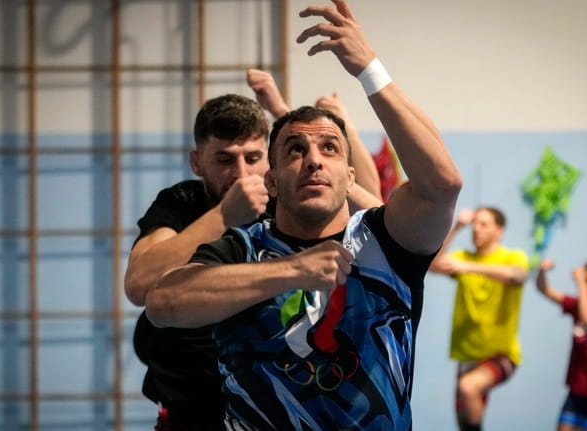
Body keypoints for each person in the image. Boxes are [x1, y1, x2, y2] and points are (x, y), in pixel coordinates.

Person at [144, 0, 463, 429]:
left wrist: (369, 69)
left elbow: (442, 184)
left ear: (350, 177)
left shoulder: (384, 240)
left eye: (329, 148)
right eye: (295, 150)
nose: (313, 160)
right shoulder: (242, 247)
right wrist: (292, 271)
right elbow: (163, 303)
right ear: (272, 182)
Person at [124, 70, 382, 429]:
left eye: (252, 157)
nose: (241, 172)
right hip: (191, 406)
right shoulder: (182, 202)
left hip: (276, 400)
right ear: (197, 162)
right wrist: (223, 215)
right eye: (224, 159)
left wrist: (288, 113)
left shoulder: (289, 198)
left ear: (271, 163)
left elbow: (369, 209)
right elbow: (139, 285)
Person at [428, 207, 529, 431]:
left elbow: (517, 275)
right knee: (464, 421)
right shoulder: (463, 256)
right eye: (474, 224)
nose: (476, 229)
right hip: (467, 355)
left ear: (499, 231)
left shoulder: (512, 257)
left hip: (500, 353)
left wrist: (470, 267)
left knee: (468, 388)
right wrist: (457, 227)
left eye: (484, 224)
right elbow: (433, 265)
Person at [536, 259, 587, 431]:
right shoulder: (575, 305)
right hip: (576, 388)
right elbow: (544, 290)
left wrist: (580, 281)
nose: (584, 285)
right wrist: (542, 271)